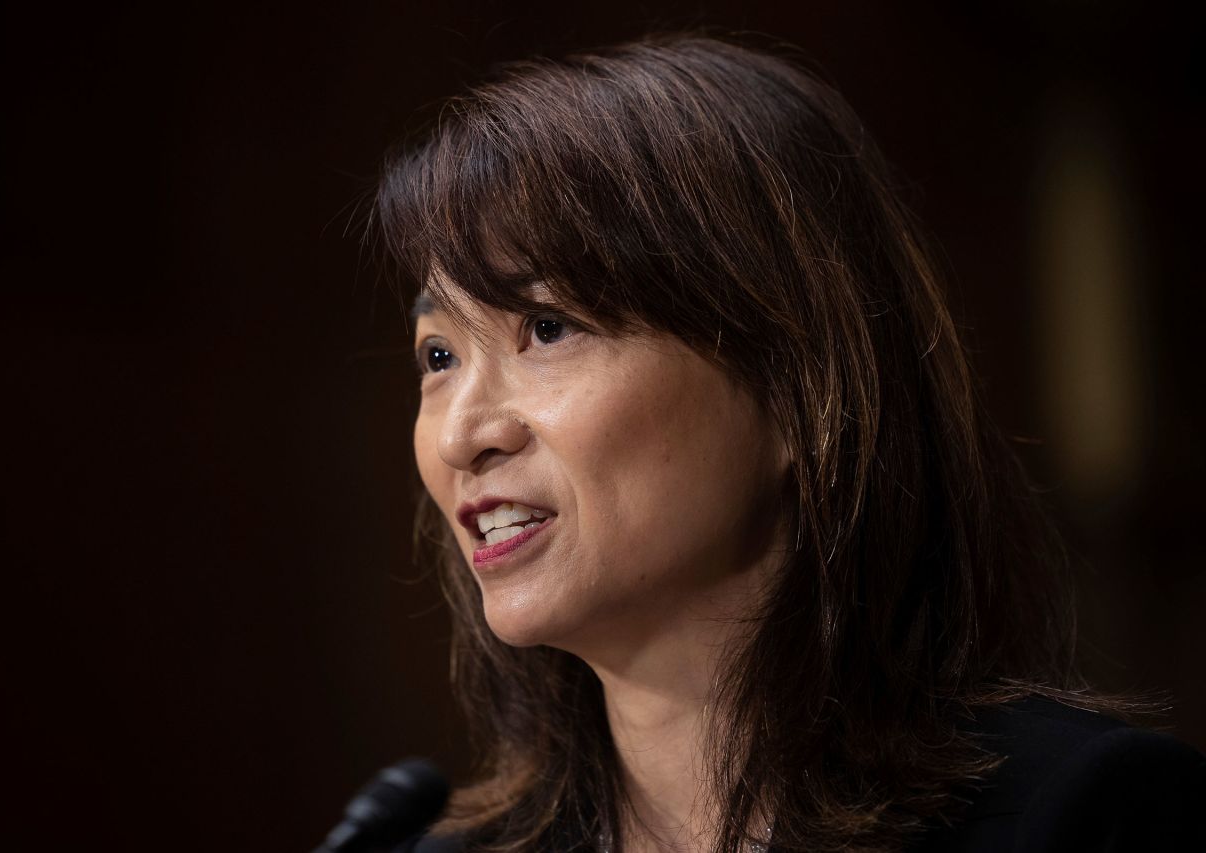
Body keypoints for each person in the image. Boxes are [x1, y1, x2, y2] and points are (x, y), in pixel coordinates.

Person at [370, 32, 1206, 852]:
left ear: (797, 386)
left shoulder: (1081, 814)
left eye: (547, 327)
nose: (461, 435)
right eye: (438, 356)